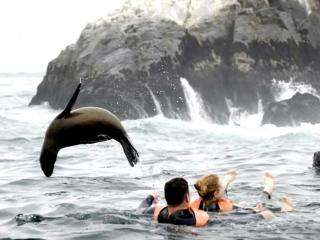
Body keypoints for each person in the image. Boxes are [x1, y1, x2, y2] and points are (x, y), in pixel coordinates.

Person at [191, 171, 294, 220]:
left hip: (215, 200)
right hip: (222, 203)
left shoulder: (197, 201)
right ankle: (269, 187)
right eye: (221, 186)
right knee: (263, 201)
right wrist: (256, 209)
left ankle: (226, 179)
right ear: (216, 193)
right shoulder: (225, 205)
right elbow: (247, 210)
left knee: (223, 190)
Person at [138, 177, 209, 227]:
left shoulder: (157, 211)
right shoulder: (201, 217)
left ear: (166, 197)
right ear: (187, 197)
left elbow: (140, 209)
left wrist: (151, 196)